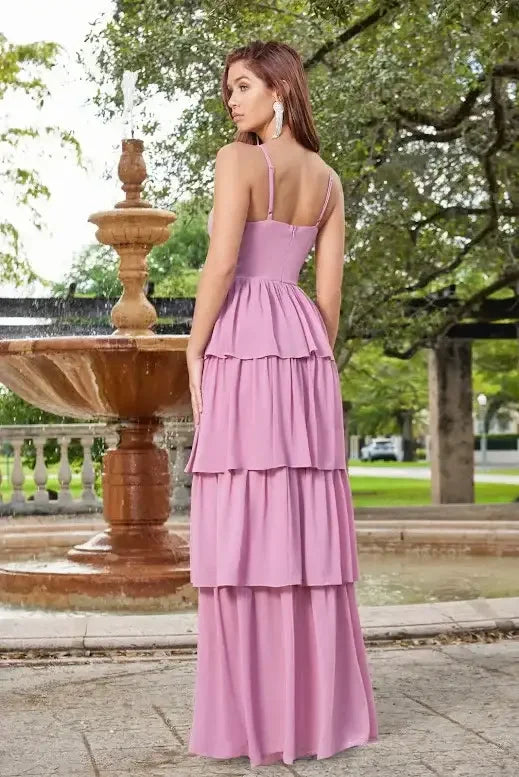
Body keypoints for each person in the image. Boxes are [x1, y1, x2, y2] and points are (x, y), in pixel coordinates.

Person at [184, 39, 378, 767]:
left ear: (279, 91)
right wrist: (305, 366)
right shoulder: (327, 181)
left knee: (242, 522)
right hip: (301, 344)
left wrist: (194, 344)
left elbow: (223, 261)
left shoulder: (236, 162)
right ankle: (312, 717)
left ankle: (247, 721)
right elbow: (327, 300)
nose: (231, 101)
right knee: (300, 530)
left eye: (241, 87)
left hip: (241, 334)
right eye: (228, 89)